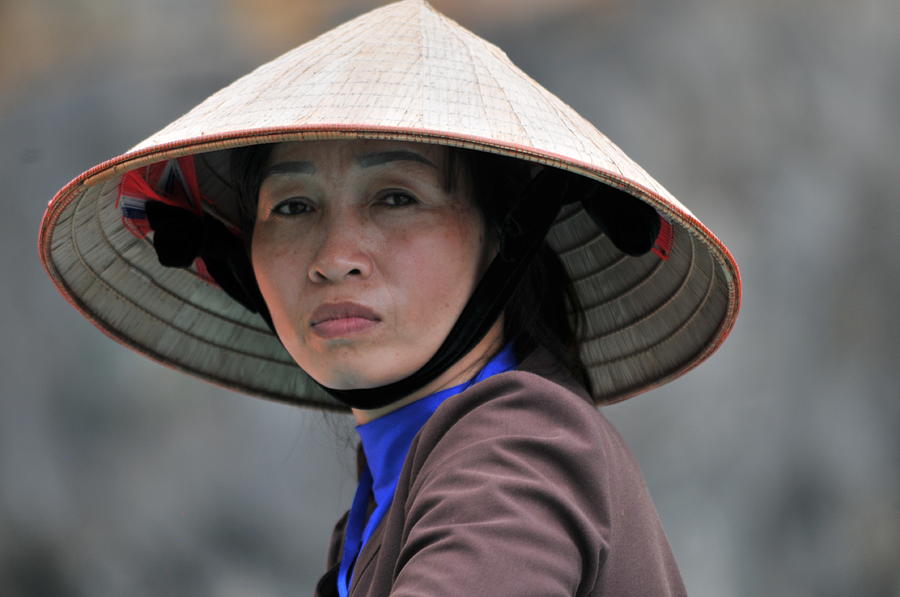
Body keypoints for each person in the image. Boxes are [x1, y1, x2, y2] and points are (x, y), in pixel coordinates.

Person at [39, 1, 741, 595]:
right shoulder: (384, 498)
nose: (334, 257)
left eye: (397, 197)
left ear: (504, 237)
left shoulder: (518, 437)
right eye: (291, 207)